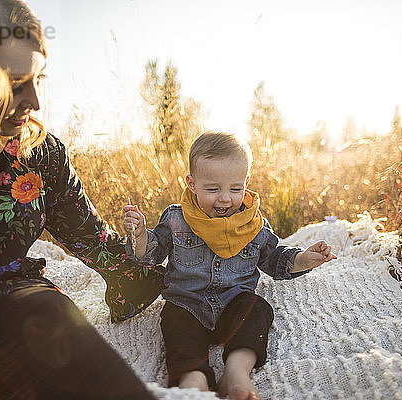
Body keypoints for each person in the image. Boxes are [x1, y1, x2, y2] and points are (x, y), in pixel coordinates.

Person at [0, 1, 161, 398]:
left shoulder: (39, 154)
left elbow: (93, 239)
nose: (35, 102)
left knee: (49, 320)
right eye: (14, 82)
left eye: (39, 78)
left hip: (17, 301)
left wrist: (160, 275)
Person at [123, 131, 337, 400]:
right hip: (188, 305)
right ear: (192, 183)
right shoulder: (177, 219)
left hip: (234, 304)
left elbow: (275, 259)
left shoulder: (253, 224)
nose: (225, 199)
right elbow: (150, 255)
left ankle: (236, 372)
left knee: (258, 308)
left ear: (246, 183)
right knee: (175, 322)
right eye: (213, 189)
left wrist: (305, 259)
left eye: (235, 189)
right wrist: (141, 235)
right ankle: (194, 379)